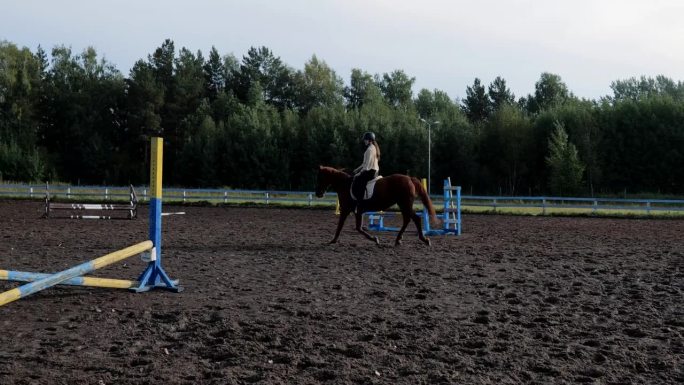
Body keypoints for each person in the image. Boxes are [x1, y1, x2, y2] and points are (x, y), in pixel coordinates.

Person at [352, 131, 380, 209]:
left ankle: (360, 202)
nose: (364, 141)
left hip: (370, 171)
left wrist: (359, 173)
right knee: (357, 177)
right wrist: (356, 169)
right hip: (373, 170)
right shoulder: (372, 148)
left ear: (370, 140)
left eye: (366, 139)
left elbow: (366, 166)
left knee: (358, 180)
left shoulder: (370, 150)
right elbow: (364, 163)